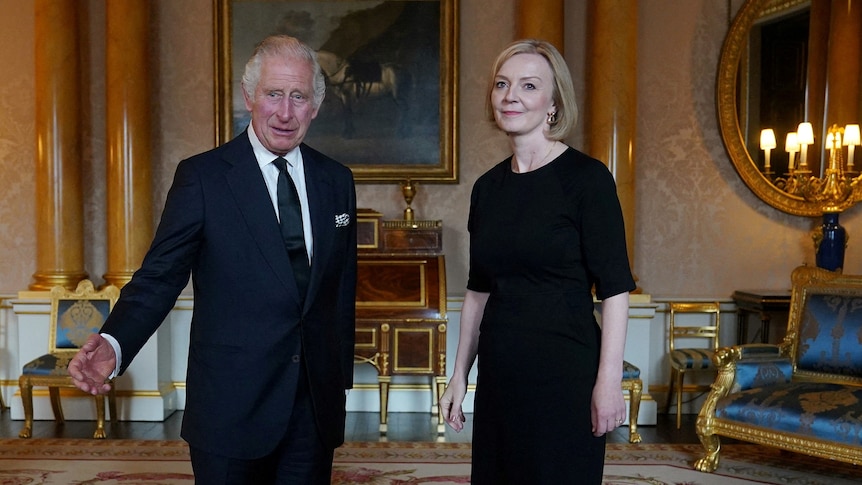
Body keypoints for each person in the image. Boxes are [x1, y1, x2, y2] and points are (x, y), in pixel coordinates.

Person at [69, 35, 357, 484]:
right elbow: (159, 277)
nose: (285, 112)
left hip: (313, 411)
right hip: (230, 407)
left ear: (315, 105)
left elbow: (340, 289)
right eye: (274, 94)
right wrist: (114, 342)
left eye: (298, 97)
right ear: (249, 97)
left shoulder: (336, 180)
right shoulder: (202, 178)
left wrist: (337, 382)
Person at [438, 39, 636, 484]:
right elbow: (477, 291)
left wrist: (609, 382)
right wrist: (458, 377)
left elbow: (616, 290)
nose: (511, 96)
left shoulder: (587, 180)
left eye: (529, 85)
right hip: (501, 374)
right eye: (502, 84)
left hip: (565, 375)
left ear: (553, 102)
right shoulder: (487, 189)